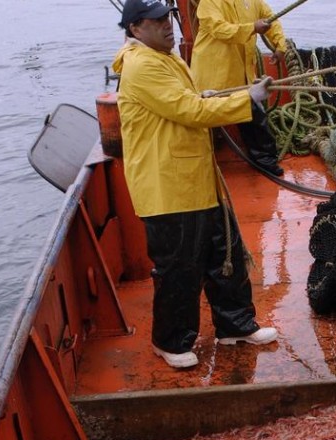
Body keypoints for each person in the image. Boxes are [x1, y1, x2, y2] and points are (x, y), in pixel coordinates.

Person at [113, 0, 278, 368]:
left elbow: (187, 100)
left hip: (196, 179)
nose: (168, 26)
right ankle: (170, 342)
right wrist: (246, 98)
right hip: (168, 187)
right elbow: (189, 112)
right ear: (135, 29)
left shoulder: (166, 57)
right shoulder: (142, 66)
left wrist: (207, 95)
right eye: (157, 22)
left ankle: (235, 324)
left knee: (226, 253)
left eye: (167, 18)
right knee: (179, 267)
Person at [190, 0, 287, 176]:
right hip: (212, 80)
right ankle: (198, 163)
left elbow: (270, 19)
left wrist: (280, 44)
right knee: (202, 123)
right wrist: (252, 28)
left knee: (256, 119)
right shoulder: (209, 3)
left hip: (243, 77)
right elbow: (220, 29)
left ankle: (265, 162)